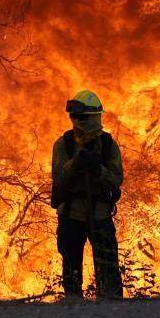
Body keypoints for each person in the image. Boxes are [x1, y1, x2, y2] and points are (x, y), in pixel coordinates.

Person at [51, 89, 124, 299]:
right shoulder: (63, 144)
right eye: (77, 117)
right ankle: (73, 306)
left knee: (108, 266)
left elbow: (117, 178)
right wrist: (76, 163)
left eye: (86, 118)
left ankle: (111, 305)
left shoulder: (108, 144)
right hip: (72, 215)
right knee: (71, 268)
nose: (82, 122)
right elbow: (59, 179)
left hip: (100, 214)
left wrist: (97, 170)